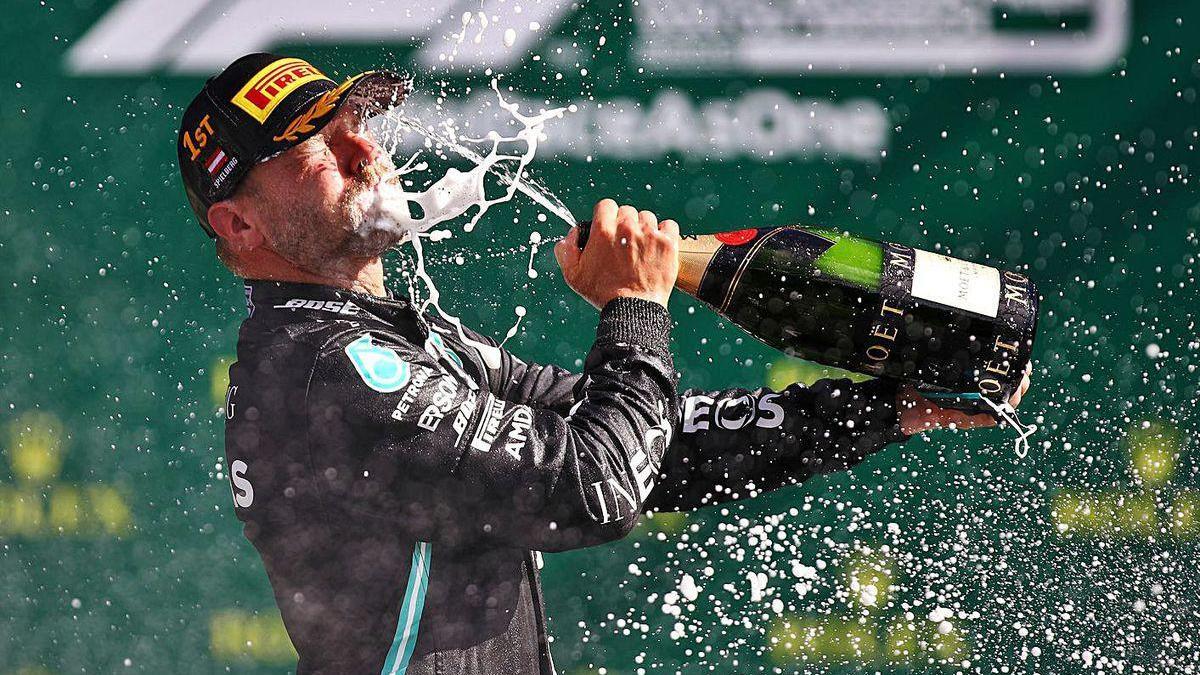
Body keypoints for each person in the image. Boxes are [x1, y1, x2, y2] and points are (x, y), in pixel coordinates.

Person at [179, 53, 1031, 675]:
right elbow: (594, 487)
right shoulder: (334, 369)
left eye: (350, 126)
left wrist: (889, 408)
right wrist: (635, 307)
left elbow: (654, 445)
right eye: (313, 152)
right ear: (240, 228)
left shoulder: (398, 341)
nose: (361, 152)